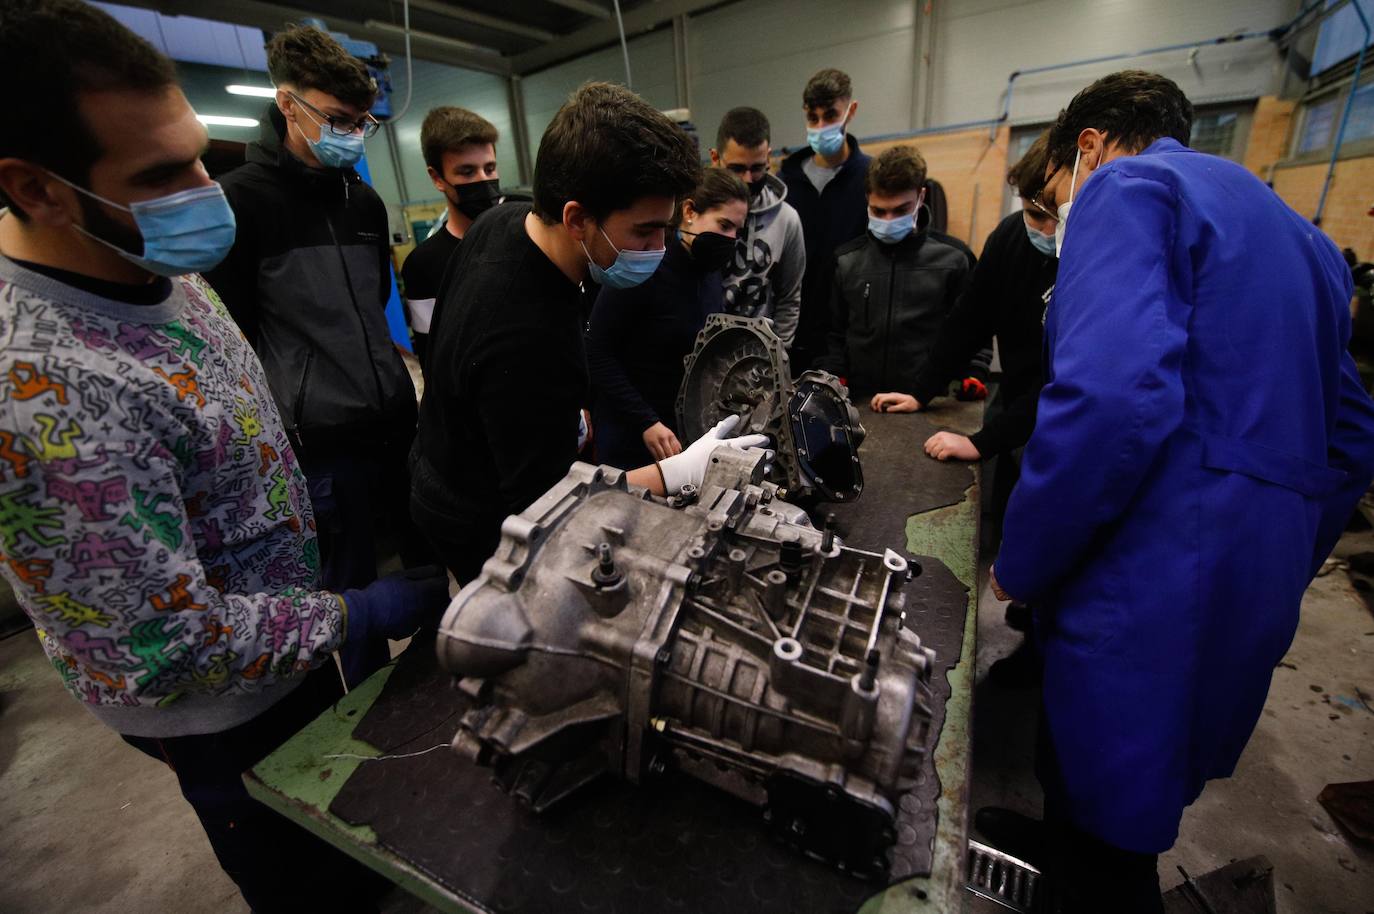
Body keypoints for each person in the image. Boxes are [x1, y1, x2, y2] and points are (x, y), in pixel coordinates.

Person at [0, 3, 450, 911]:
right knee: (307, 879)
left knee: (350, 826)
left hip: (284, 638)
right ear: (38, 189)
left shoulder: (142, 259)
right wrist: (355, 610)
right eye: (163, 173)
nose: (205, 189)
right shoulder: (37, 395)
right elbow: (164, 649)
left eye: (198, 154)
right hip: (219, 710)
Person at [983, 71, 1374, 912]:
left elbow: (1111, 398)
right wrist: (1277, 549)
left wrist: (1026, 557)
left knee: (1108, 814)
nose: (1056, 217)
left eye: (1054, 193)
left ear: (1084, 147)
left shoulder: (1130, 186)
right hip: (1256, 571)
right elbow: (1352, 438)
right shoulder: (1300, 236)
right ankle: (1065, 855)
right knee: (1142, 781)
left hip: (1153, 567)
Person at [411, 82, 769, 584]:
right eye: (644, 231)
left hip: (449, 456)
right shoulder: (526, 339)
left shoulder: (505, 220)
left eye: (665, 229)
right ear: (577, 217)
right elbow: (549, 512)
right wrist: (677, 474)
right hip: (478, 518)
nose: (660, 248)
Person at [203, 27, 431, 646]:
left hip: (393, 422)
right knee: (350, 601)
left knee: (427, 580)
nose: (351, 134)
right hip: (322, 444)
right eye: (336, 119)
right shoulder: (239, 204)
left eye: (362, 122)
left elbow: (375, 303)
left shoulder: (366, 203)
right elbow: (235, 335)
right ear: (287, 104)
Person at [872, 132, 1056, 467]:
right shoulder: (1009, 237)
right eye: (1034, 214)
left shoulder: (1089, 253)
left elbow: (1060, 378)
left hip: (1062, 416)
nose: (1045, 230)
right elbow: (968, 320)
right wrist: (921, 390)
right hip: (1016, 403)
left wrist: (981, 443)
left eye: (1054, 217)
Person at [586, 167, 750, 469]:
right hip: (631, 437)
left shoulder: (710, 274)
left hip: (681, 438)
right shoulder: (646, 266)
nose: (731, 238)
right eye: (724, 225)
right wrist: (646, 421)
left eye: (737, 231)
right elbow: (597, 351)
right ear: (689, 210)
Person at [815, 145, 979, 398]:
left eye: (901, 210)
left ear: (921, 197)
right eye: (879, 211)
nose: (889, 220)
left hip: (926, 398)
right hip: (859, 399)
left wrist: (974, 372)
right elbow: (833, 332)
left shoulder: (955, 259)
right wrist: (834, 375)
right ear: (867, 199)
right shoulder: (846, 261)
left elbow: (971, 329)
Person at [781, 68, 872, 371]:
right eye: (812, 118)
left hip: (847, 338)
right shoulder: (784, 183)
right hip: (792, 334)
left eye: (830, 115)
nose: (821, 126)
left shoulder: (870, 179)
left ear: (851, 110)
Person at [401, 105, 502, 366]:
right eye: (467, 172)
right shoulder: (423, 265)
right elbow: (433, 359)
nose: (483, 180)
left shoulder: (526, 239)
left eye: (489, 169)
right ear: (437, 178)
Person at [709, 107, 804, 347]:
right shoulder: (696, 214)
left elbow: (789, 298)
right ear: (714, 159)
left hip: (758, 356)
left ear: (769, 158)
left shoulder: (787, 219)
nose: (748, 180)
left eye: (757, 168)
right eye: (737, 169)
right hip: (705, 349)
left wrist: (778, 357)